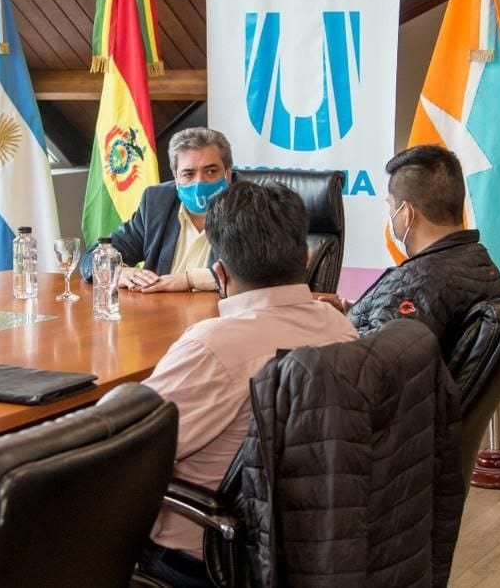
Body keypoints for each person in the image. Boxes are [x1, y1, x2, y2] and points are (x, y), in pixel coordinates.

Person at [138, 181, 357, 586]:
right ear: (307, 257)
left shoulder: (213, 348)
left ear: (219, 273)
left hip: (205, 558)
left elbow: (120, 449)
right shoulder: (341, 328)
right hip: (305, 547)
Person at [323, 145, 500, 359]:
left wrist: (326, 326)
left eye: (391, 206)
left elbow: (367, 366)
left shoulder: (416, 283)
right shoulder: (478, 261)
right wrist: (357, 313)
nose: (391, 214)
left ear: (407, 213)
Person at [79, 127, 233, 293]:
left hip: (222, 314)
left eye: (211, 171)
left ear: (228, 173)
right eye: (188, 174)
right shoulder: (158, 202)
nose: (199, 182)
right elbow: (95, 256)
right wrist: (118, 271)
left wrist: (189, 280)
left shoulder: (250, 206)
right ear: (176, 178)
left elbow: (258, 272)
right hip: (160, 313)